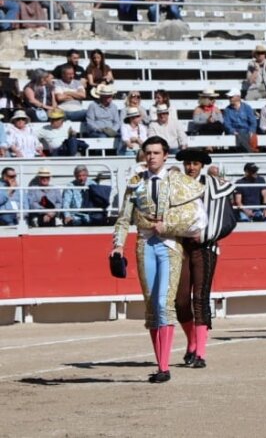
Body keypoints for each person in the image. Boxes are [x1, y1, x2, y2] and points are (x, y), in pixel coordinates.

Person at [111, 136, 207, 383]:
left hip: (170, 246)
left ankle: (164, 368)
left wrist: (169, 225)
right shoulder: (135, 184)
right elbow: (123, 219)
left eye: (156, 153)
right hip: (144, 246)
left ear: (166, 155)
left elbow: (196, 218)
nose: (152, 157)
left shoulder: (178, 182)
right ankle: (160, 364)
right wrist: (118, 245)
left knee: (164, 303)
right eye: (148, 153)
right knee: (152, 306)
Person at [174, 149, 235, 370]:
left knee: (200, 297)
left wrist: (207, 234)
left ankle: (200, 351)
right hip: (180, 247)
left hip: (205, 247)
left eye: (195, 164)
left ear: (202, 166)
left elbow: (228, 222)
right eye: (188, 163)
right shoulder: (175, 186)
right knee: (180, 300)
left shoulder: (216, 187)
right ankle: (192, 341)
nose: (191, 167)